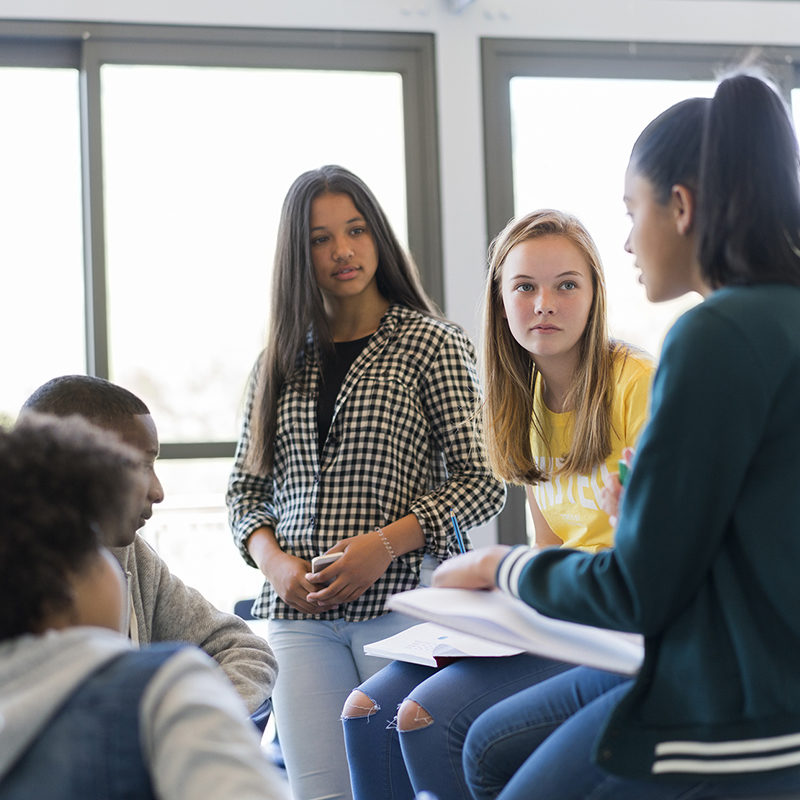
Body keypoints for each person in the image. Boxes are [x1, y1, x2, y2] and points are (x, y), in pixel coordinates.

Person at [434, 70, 800, 800]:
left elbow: (637, 591)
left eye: (633, 210)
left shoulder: (714, 336)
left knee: (494, 768)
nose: (629, 240)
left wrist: (500, 568)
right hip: (763, 683)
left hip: (736, 717)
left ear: (682, 208)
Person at [342, 209, 655, 799]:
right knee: (364, 711)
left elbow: (659, 551)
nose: (545, 304)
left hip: (613, 624)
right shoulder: (522, 399)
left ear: (594, 295)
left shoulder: (636, 383)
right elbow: (551, 548)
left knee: (422, 718)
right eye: (525, 287)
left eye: (567, 285)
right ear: (501, 300)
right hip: (557, 611)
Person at [226, 164, 506, 800]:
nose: (342, 251)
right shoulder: (277, 360)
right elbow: (245, 492)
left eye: (354, 230)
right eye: (321, 238)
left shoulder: (431, 344)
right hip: (297, 619)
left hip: (402, 605)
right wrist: (274, 564)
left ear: (377, 235)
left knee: (397, 787)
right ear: (300, 254)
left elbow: (483, 478)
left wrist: (382, 544)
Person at [0, 414, 288, 800]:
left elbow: (243, 647)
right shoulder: (164, 689)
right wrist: (206, 713)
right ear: (61, 577)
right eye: (96, 548)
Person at [20, 375, 277, 720]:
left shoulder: (133, 557)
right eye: (138, 466)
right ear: (68, 468)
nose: (158, 492)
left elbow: (245, 649)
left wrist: (184, 727)